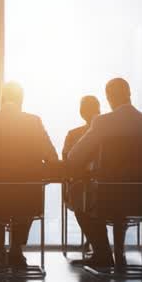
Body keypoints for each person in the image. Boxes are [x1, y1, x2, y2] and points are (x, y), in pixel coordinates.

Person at [65, 77, 142, 270]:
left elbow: (74, 156)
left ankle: (102, 253)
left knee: (77, 195)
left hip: (109, 196)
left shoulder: (103, 122)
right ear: (129, 94)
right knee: (116, 200)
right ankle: (117, 254)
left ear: (108, 97)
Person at [0, 82, 60, 268]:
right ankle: (16, 249)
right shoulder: (33, 122)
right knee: (26, 201)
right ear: (21, 100)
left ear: (2, 99)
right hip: (26, 197)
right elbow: (51, 156)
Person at [63, 95, 101, 253]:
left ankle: (95, 242)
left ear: (81, 112)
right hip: (106, 187)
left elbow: (66, 160)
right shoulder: (108, 133)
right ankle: (96, 242)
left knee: (82, 204)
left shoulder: (73, 134)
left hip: (80, 187)